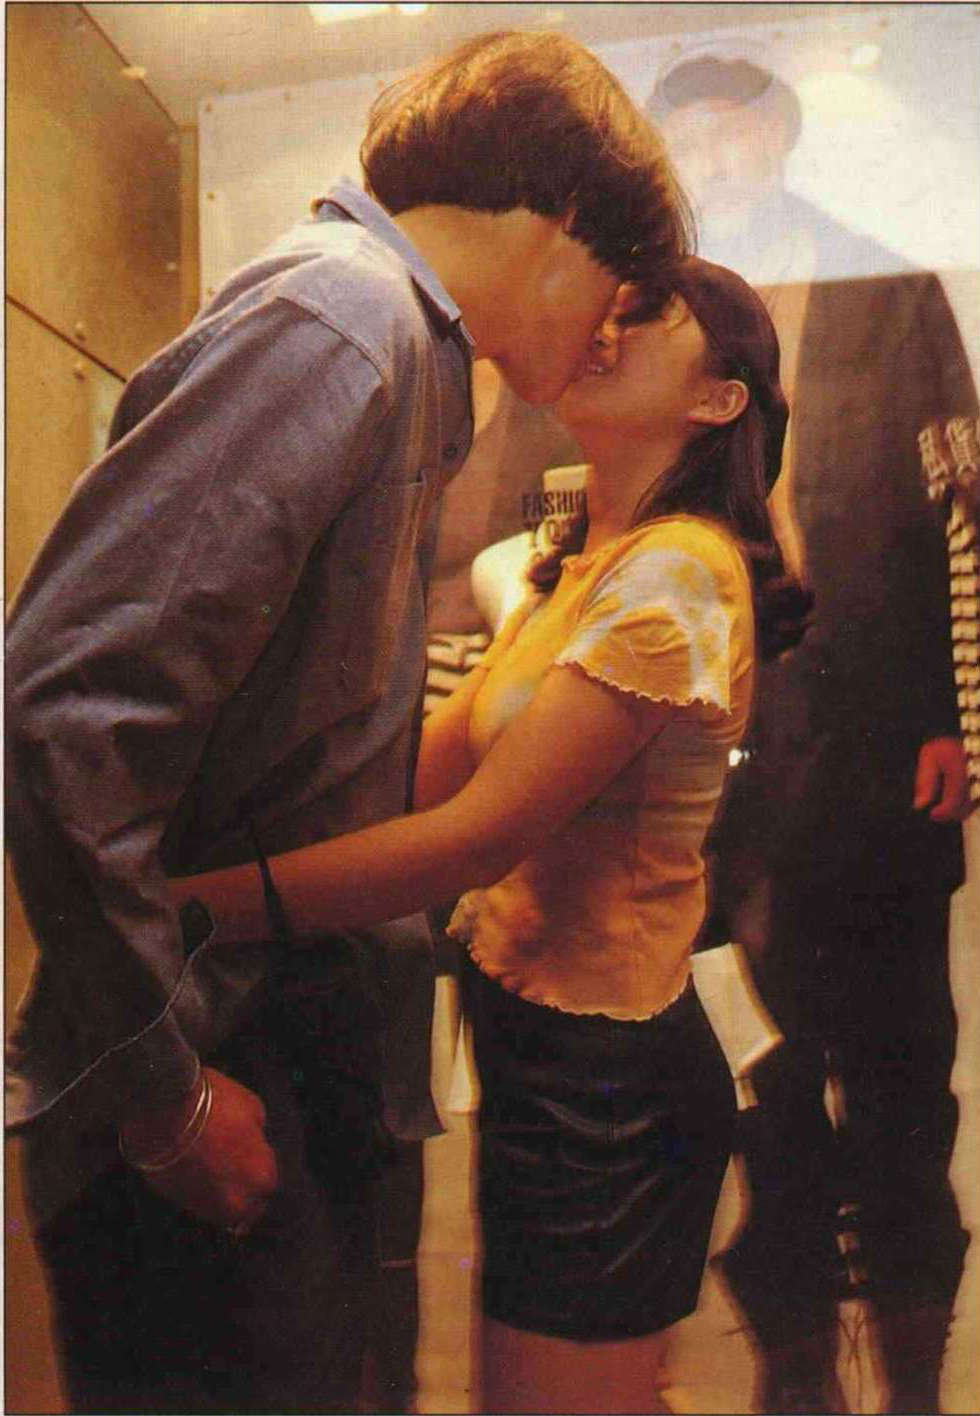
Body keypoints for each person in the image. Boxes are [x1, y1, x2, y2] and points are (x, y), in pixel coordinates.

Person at [4, 30, 692, 1415]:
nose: (607, 334)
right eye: (616, 290)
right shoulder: (341, 320)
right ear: (560, 219)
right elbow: (68, 706)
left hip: (275, 1046)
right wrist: (164, 1094)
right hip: (215, 1055)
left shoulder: (402, 348)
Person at [170, 256, 812, 1414]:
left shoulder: (677, 574)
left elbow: (467, 841)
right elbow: (421, 772)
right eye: (606, 307)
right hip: (537, 1045)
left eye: (647, 317)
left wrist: (191, 904)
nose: (605, 329)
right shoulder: (587, 563)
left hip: (605, 1086)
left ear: (718, 398)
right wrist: (217, 823)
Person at [647, 51, 978, 1414]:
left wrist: (957, 720)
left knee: (901, 1049)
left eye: (732, 132)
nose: (713, 160)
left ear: (778, 135)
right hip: (722, 756)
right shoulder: (661, 312)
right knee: (754, 1055)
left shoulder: (883, 286)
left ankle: (912, 1345)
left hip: (883, 732)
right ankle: (790, 1339)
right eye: (688, 141)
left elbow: (960, 516)